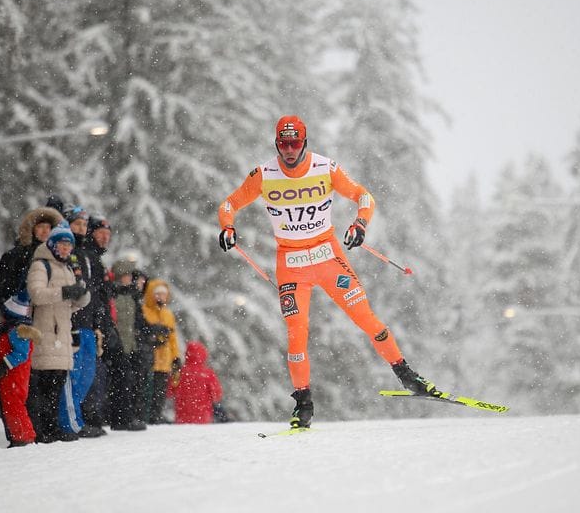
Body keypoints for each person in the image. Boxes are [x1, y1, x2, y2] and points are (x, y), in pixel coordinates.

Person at [217, 115, 440, 430]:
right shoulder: (264, 175)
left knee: (367, 319)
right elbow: (229, 204)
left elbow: (364, 196)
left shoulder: (325, 168)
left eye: (295, 143)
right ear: (276, 144)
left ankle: (407, 375)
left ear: (305, 142)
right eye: (284, 144)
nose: (290, 150)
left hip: (327, 258)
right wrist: (227, 227)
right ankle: (303, 404)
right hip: (291, 265)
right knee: (296, 337)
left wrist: (360, 223)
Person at [26, 221, 90, 443]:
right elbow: (37, 294)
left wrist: (81, 296)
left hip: (62, 336)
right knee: (44, 387)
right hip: (45, 335)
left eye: (68, 245)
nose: (66, 249)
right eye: (62, 244)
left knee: (55, 388)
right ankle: (42, 430)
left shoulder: (67, 268)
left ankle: (51, 429)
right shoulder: (41, 266)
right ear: (53, 245)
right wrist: (65, 292)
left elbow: (69, 304)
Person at [57, 206, 103, 438]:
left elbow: (95, 290)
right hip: (71, 321)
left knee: (87, 373)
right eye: (77, 224)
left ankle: (76, 417)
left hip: (87, 322)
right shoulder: (66, 250)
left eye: (84, 225)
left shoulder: (87, 254)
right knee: (72, 376)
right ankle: (68, 422)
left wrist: (98, 321)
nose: (81, 229)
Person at [0, 290, 41, 447]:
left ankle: (24, 437)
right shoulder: (8, 330)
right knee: (9, 406)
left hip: (15, 376)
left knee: (15, 405)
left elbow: (21, 354)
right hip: (7, 378)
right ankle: (17, 436)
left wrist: (4, 366)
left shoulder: (18, 331)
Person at [78, 215, 115, 437]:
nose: (104, 238)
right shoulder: (88, 256)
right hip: (86, 321)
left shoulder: (96, 258)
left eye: (108, 235)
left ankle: (91, 416)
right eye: (100, 233)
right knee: (87, 372)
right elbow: (94, 294)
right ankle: (85, 416)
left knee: (94, 372)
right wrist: (99, 318)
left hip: (94, 322)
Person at [0, 206, 64, 319]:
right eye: (41, 227)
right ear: (32, 229)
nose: (45, 231)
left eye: (48, 227)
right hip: (19, 318)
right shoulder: (16, 255)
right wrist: (11, 309)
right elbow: (2, 288)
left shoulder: (59, 258)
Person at [107, 259, 149, 431]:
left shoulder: (131, 295)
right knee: (122, 382)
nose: (131, 278)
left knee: (129, 382)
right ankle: (121, 417)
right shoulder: (115, 294)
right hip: (119, 344)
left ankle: (126, 416)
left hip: (129, 344)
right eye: (127, 275)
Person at [142, 279, 179, 424]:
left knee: (160, 391)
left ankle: (156, 416)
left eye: (164, 294)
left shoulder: (168, 314)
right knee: (147, 389)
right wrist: (153, 339)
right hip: (150, 358)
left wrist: (175, 357)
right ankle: (145, 416)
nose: (161, 297)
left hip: (165, 359)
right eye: (157, 294)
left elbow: (173, 338)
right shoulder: (145, 311)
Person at [169, 341, 224, 424]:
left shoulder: (180, 373)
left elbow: (169, 391)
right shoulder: (208, 374)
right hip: (203, 420)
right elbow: (217, 395)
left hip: (182, 420)